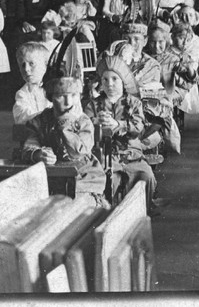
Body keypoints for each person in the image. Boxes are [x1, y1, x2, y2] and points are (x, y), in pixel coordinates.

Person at [84, 55, 157, 212]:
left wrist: (118, 124)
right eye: (105, 80)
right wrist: (97, 122)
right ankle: (109, 217)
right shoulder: (93, 105)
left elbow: (138, 127)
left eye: (114, 79)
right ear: (100, 83)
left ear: (123, 81)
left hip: (132, 156)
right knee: (107, 183)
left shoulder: (134, 103)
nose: (110, 84)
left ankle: (143, 213)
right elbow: (86, 129)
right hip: (106, 158)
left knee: (147, 177)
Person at [21, 73, 106, 207]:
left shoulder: (83, 122)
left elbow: (77, 152)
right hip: (50, 178)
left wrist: (65, 122)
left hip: (82, 178)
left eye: (73, 95)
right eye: (61, 96)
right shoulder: (39, 121)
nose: (68, 102)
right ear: (51, 97)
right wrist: (38, 154)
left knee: (73, 207)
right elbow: (29, 146)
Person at [12, 42, 51, 126]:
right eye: (22, 65)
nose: (26, 69)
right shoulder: (22, 94)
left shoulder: (55, 88)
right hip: (36, 133)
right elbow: (21, 117)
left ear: (46, 65)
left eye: (31, 64)